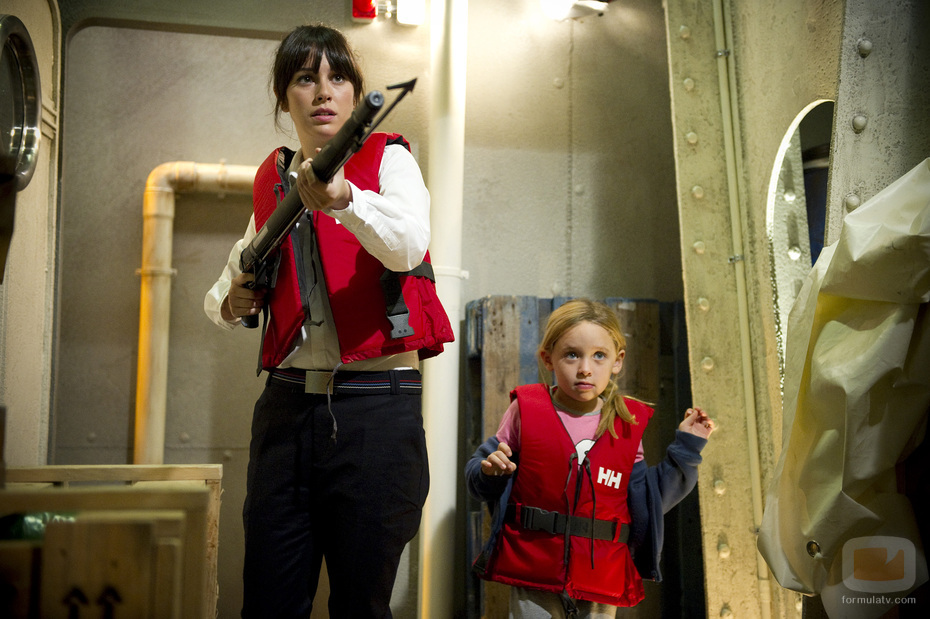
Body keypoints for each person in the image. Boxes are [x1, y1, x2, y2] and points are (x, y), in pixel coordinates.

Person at [204, 24, 453, 618]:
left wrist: (346, 199)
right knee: (268, 602)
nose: (322, 91)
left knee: (362, 604)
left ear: (355, 94)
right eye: (304, 78)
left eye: (338, 77)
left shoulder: (389, 159)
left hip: (376, 410)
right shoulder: (274, 180)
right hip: (286, 411)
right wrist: (232, 301)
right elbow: (223, 291)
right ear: (284, 97)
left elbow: (409, 245)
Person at [465, 298, 714, 618]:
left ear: (617, 361)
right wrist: (489, 472)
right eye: (572, 354)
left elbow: (650, 499)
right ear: (548, 358)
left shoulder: (625, 424)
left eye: (599, 355)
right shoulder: (525, 411)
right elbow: (480, 476)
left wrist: (688, 447)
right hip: (535, 569)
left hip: (600, 575)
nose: (585, 368)